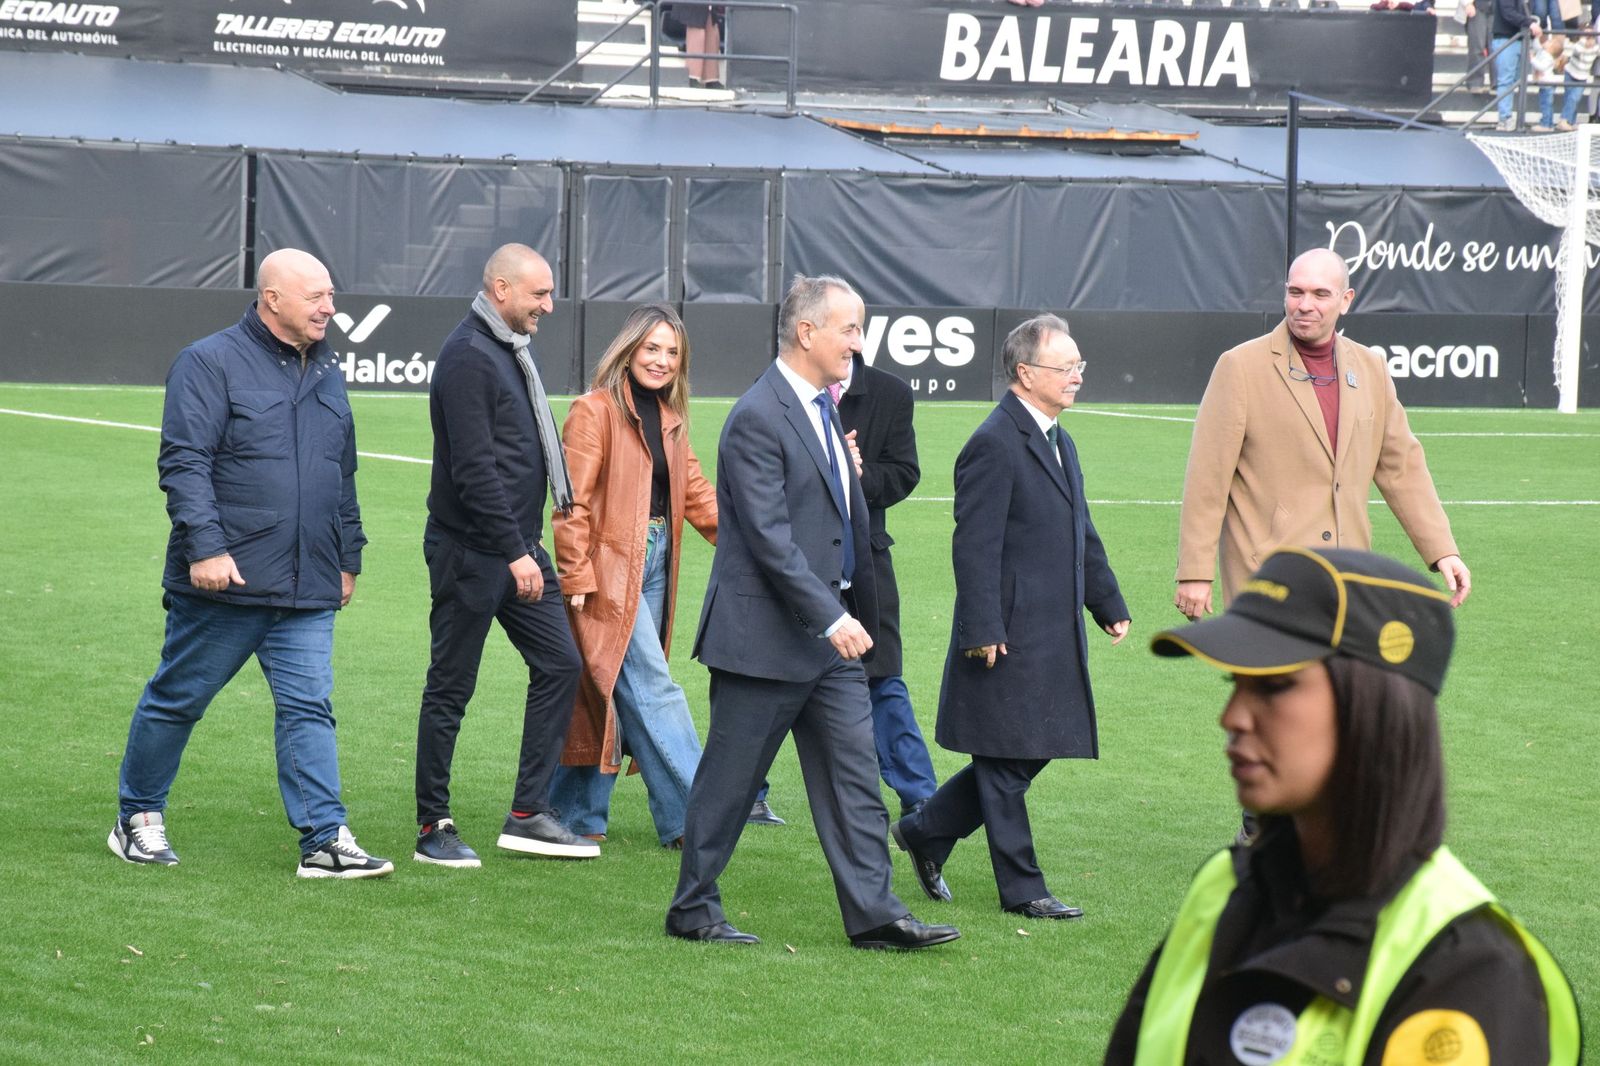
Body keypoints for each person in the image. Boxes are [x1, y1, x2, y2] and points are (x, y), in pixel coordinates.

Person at [1106, 547, 1581, 1063]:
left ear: (1374, 708)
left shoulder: (1470, 968)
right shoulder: (1222, 886)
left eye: (1273, 686)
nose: (1233, 716)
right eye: (1234, 683)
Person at [664, 274, 960, 951]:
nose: (859, 341)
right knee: (729, 785)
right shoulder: (757, 416)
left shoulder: (825, 406)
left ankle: (877, 915)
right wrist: (832, 616)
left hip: (830, 648)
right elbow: (768, 538)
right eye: (849, 328)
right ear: (807, 333)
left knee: (856, 782)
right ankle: (692, 907)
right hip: (763, 641)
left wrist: (854, 611)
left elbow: (846, 519)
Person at [108, 248, 391, 880]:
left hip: (309, 583)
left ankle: (324, 837)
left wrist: (348, 556)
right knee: (179, 699)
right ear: (272, 299)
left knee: (308, 707)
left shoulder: (328, 371)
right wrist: (206, 548)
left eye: (331, 295)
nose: (329, 307)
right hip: (226, 582)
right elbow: (184, 464)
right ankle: (138, 819)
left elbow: (339, 474)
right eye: (316, 296)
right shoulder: (208, 362)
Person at [890, 315, 1130, 921]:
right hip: (1008, 635)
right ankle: (1023, 888)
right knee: (1003, 760)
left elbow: (1081, 530)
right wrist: (984, 629)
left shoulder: (1059, 438)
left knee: (1026, 750)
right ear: (1026, 374)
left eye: (1078, 364)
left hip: (1052, 632)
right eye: (1065, 366)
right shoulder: (993, 442)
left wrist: (1107, 601)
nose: (1077, 375)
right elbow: (973, 546)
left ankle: (924, 832)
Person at [412, 243, 594, 868]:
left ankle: (527, 813)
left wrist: (526, 545)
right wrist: (516, 550)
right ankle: (432, 825)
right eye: (539, 294)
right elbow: (473, 470)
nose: (549, 304)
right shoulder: (468, 356)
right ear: (500, 289)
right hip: (473, 552)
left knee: (560, 665)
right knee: (451, 687)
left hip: (518, 548)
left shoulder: (509, 348)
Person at [1174, 248, 1471, 624]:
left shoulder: (1372, 368)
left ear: (1346, 301)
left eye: (1320, 294)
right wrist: (1195, 572)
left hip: (1348, 580)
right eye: (1295, 292)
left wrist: (1442, 550)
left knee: (1340, 685)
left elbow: (1402, 467)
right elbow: (1207, 477)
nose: (1303, 305)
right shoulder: (1240, 367)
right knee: (1279, 684)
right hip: (1268, 578)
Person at [547, 304, 719, 849]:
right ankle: (704, 814)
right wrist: (575, 576)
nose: (662, 360)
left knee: (609, 687)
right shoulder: (593, 410)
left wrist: (760, 543)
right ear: (629, 349)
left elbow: (697, 495)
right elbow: (570, 501)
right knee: (653, 686)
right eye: (652, 348)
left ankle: (573, 814)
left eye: (672, 352)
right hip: (607, 565)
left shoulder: (670, 419)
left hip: (656, 558)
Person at [834, 351, 939, 819]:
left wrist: (860, 475)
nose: (850, 338)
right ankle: (748, 794)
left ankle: (922, 803)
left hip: (866, 561)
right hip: (793, 563)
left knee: (882, 677)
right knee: (769, 681)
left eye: (856, 327)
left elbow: (904, 472)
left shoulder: (890, 392)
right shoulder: (783, 386)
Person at [1492, 0, 1544, 130]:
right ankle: (1505, 118)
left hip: (1521, 39)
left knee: (1518, 80)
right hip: (1506, 38)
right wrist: (1529, 23)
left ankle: (1513, 118)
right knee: (1506, 80)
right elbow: (1508, 12)